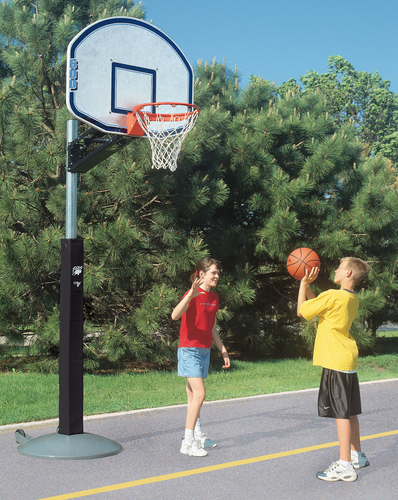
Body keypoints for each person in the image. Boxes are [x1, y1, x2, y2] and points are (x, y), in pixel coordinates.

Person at [297, 257, 370, 482]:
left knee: (340, 414)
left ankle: (345, 465)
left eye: (339, 268)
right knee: (350, 411)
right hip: (347, 360)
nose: (335, 271)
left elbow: (301, 311)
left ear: (348, 273)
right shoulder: (350, 298)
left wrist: (302, 284)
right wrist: (309, 288)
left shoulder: (332, 295)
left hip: (335, 361)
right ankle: (357, 455)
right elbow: (319, 305)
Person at [171, 257, 230, 457]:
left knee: (192, 396)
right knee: (200, 394)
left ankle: (197, 435)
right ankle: (187, 442)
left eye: (218, 273)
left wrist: (223, 350)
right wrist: (189, 296)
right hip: (189, 350)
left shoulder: (214, 298)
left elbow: (211, 327)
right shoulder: (192, 294)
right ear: (201, 274)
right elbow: (174, 316)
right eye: (213, 272)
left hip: (204, 350)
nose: (217, 276)